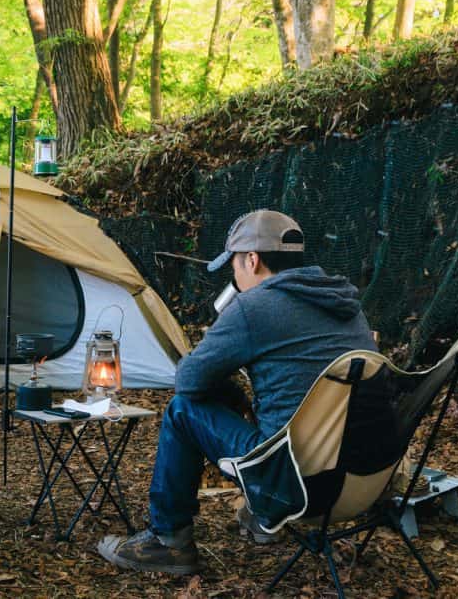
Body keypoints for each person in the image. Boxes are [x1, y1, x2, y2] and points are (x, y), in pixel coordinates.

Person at [98, 209, 378, 575]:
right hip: (362, 477)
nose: (234, 273)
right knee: (269, 406)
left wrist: (223, 332)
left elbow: (189, 381)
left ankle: (168, 540)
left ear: (252, 259)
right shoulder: (345, 302)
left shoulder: (253, 307)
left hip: (293, 483)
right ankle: (261, 519)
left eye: (234, 263)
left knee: (182, 410)